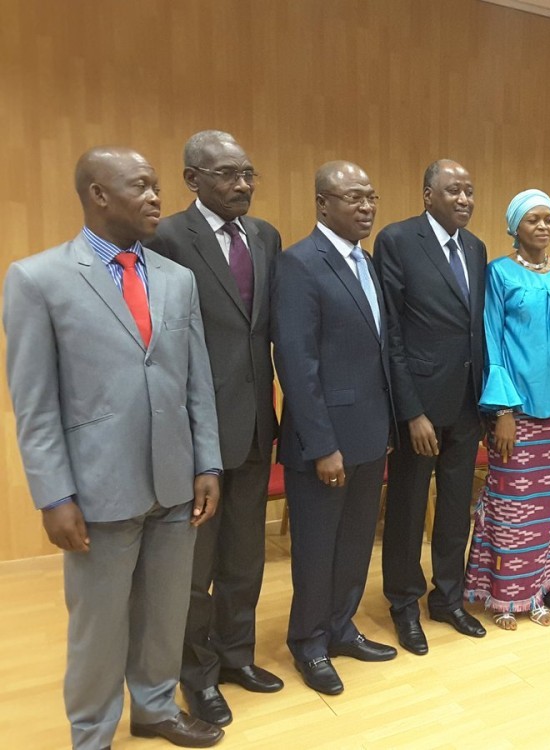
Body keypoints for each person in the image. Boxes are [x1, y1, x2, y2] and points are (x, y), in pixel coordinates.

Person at [3, 147, 223, 749]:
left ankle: (153, 708)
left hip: (176, 480)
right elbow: (36, 403)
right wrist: (54, 494)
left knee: (165, 611)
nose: (157, 197)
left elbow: (196, 380)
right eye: (143, 187)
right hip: (98, 488)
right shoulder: (37, 279)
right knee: (98, 625)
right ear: (99, 195)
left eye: (157, 186)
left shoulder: (178, 280)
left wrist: (208, 460)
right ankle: (92, 732)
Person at [147, 130, 283, 726]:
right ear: (192, 178)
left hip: (256, 424)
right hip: (198, 430)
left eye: (248, 173)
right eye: (227, 174)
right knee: (195, 566)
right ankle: (195, 675)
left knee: (243, 556)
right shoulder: (169, 237)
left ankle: (236, 656)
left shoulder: (266, 236)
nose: (243, 184)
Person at [271, 161, 397, 696]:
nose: (366, 206)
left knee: (354, 545)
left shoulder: (366, 264)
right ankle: (309, 643)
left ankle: (342, 628)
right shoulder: (300, 263)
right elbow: (296, 364)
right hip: (324, 441)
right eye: (353, 197)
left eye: (370, 196)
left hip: (370, 433)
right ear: (323, 203)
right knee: (318, 548)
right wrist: (322, 445)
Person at [464, 189, 550, 630]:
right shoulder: (499, 274)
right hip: (515, 413)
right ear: (514, 227)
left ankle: (536, 590)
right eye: (533, 220)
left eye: (548, 219)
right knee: (509, 503)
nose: (543, 227)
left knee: (547, 506)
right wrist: (502, 411)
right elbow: (492, 343)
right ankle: (503, 596)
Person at [373, 159, 488, 655]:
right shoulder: (398, 240)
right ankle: (403, 602)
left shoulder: (476, 248)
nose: (464, 199)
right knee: (408, 505)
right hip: (420, 405)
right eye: (453, 190)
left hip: (467, 402)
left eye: (468, 190)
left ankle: (448, 596)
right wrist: (411, 411)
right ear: (427, 195)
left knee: (455, 508)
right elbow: (391, 333)